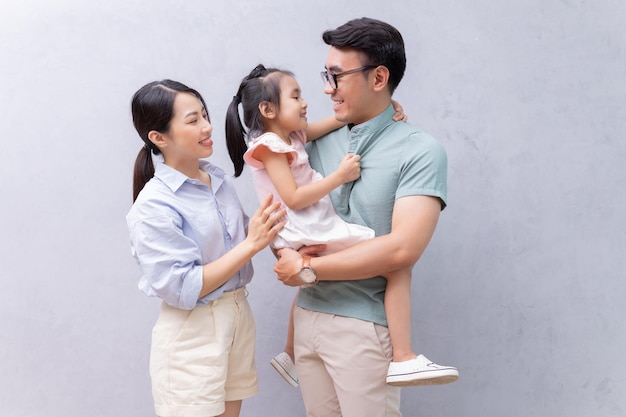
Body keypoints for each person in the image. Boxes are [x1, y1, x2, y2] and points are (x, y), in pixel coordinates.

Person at [273, 17, 458, 417]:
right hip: (307, 319)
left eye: (336, 76)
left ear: (379, 78)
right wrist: (291, 258)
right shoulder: (310, 142)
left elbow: (402, 250)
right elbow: (283, 215)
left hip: (363, 330)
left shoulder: (420, 151)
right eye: (326, 75)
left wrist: (307, 267)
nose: (326, 88)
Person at [225, 64, 438, 391]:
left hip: (306, 225)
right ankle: (404, 356)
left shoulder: (292, 136)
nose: (305, 102)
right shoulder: (269, 146)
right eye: (295, 96)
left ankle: (290, 354)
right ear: (268, 110)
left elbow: (339, 120)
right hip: (301, 224)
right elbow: (293, 198)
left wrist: (386, 111)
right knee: (396, 264)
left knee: (307, 281)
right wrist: (339, 177)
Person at [126, 79, 286, 417]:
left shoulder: (217, 179)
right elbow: (183, 286)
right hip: (193, 331)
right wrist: (252, 244)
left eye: (205, 115)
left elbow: (247, 232)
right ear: (158, 137)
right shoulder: (153, 205)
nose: (208, 126)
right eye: (193, 120)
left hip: (237, 317)